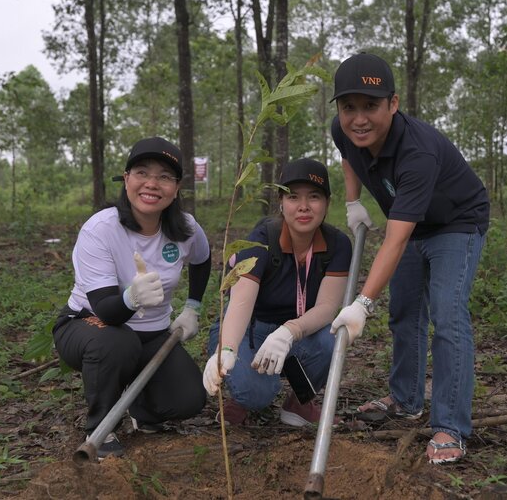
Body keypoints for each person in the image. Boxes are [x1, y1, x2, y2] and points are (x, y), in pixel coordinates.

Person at [328, 53, 489, 464]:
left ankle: (449, 426)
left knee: (448, 315)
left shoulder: (418, 152)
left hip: (455, 221)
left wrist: (361, 304)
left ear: (393, 104)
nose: (359, 119)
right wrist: (352, 202)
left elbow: (395, 242)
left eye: (371, 106)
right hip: (412, 221)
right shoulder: (343, 128)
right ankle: (405, 400)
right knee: (403, 311)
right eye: (349, 107)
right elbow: (347, 151)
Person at [53, 137, 212, 459]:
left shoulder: (185, 227)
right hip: (90, 324)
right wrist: (131, 298)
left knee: (189, 400)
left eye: (165, 176)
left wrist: (192, 307)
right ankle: (100, 426)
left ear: (177, 187)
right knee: (117, 343)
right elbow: (108, 311)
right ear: (126, 179)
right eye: (142, 173)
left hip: (152, 333)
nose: (152, 184)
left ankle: (143, 410)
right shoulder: (100, 230)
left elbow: (202, 260)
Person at [203, 158, 352, 426]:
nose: (304, 206)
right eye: (293, 197)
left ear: (327, 203)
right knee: (257, 393)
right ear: (281, 203)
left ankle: (298, 403)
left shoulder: (337, 245)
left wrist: (288, 332)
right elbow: (240, 303)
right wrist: (227, 348)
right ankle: (242, 398)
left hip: (300, 332)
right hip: (251, 328)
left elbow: (328, 307)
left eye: (314, 197)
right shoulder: (261, 239)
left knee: (331, 339)